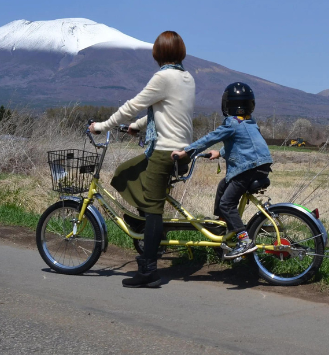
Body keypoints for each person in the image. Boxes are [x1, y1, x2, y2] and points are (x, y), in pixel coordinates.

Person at [90, 30, 195, 288]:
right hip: (182, 151)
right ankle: (145, 230)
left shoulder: (163, 77)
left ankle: (148, 269)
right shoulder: (186, 77)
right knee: (125, 172)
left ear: (158, 54)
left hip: (165, 153)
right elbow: (165, 112)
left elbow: (133, 105)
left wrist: (102, 125)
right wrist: (137, 126)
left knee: (153, 210)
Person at [171, 82, 273, 260]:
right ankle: (223, 224)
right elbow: (244, 146)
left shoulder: (232, 123)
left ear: (228, 104)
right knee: (223, 185)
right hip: (260, 167)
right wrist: (220, 153)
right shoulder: (249, 122)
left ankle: (243, 240)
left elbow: (210, 138)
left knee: (227, 203)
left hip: (247, 169)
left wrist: (186, 151)